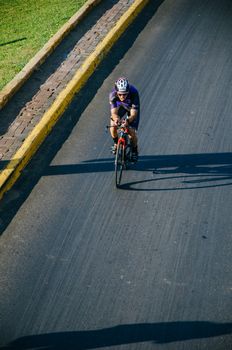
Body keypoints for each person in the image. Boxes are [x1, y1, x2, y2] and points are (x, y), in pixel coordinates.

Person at [109, 77, 140, 162]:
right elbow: (114, 113)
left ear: (128, 92)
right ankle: (116, 143)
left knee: (131, 132)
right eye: (120, 94)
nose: (122, 96)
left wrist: (128, 121)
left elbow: (133, 114)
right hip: (120, 107)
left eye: (125, 94)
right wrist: (116, 119)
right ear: (116, 92)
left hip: (131, 108)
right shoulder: (112, 94)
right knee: (112, 127)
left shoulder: (134, 93)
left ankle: (134, 150)